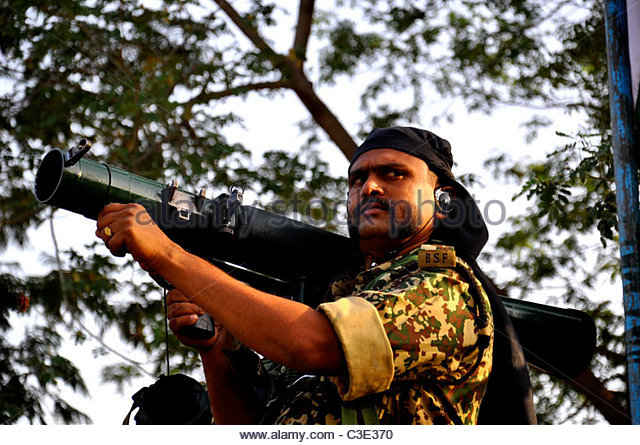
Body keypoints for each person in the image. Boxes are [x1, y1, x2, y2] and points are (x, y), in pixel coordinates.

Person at [95, 126, 535, 424]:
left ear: (443, 199)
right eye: (357, 180)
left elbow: (312, 343)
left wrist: (168, 256)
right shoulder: (337, 296)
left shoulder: (444, 285)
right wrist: (216, 350)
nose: (371, 187)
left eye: (393, 174)